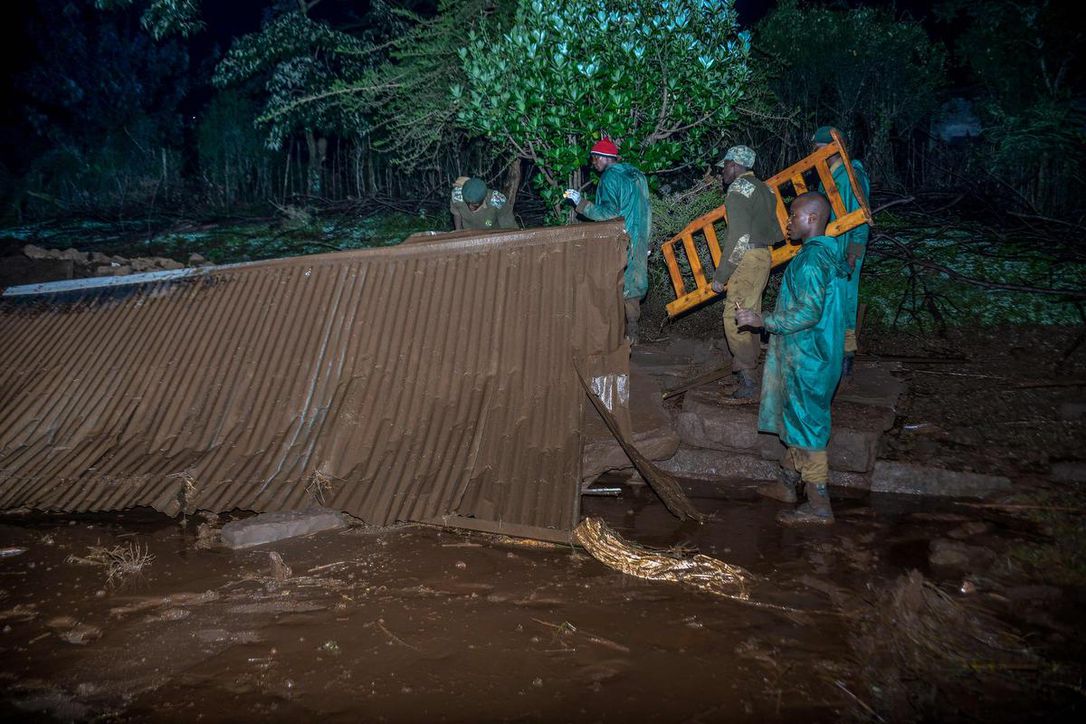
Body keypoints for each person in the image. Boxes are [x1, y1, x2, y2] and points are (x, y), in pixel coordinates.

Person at [736, 192, 850, 525]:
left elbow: (809, 312)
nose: (788, 222)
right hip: (821, 353)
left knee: (809, 427)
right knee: (800, 419)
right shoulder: (830, 256)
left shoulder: (811, 261)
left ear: (812, 218)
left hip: (807, 356)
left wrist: (763, 320)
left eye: (793, 216)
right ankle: (786, 485)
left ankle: (819, 505)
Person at [709, 145, 783, 400]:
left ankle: (747, 379)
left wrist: (721, 275)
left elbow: (739, 238)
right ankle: (751, 371)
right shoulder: (766, 189)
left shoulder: (738, 190)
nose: (722, 173)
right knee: (750, 314)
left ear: (734, 165)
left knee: (734, 317)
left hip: (747, 258)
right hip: (764, 257)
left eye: (724, 167)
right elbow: (774, 229)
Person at [562, 138, 651, 344]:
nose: (593, 163)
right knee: (633, 285)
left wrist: (580, 203)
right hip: (639, 238)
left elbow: (608, 213)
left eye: (595, 159)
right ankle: (633, 333)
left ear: (604, 158)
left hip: (620, 239)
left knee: (611, 284)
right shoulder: (636, 174)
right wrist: (647, 240)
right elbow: (646, 209)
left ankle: (612, 337)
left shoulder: (610, 178)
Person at [811, 126, 870, 379]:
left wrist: (854, 254)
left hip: (846, 251)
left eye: (817, 149)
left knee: (844, 300)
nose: (813, 154)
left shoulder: (851, 175)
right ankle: (827, 352)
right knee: (827, 300)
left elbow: (861, 217)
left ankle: (846, 356)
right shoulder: (829, 176)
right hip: (829, 249)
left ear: (831, 148)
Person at [450, 176, 517, 231]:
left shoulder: (497, 202)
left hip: (493, 234)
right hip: (469, 233)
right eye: (468, 203)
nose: (470, 207)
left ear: (484, 198)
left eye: (475, 205)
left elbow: (510, 227)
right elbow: (456, 212)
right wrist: (458, 231)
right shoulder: (457, 196)